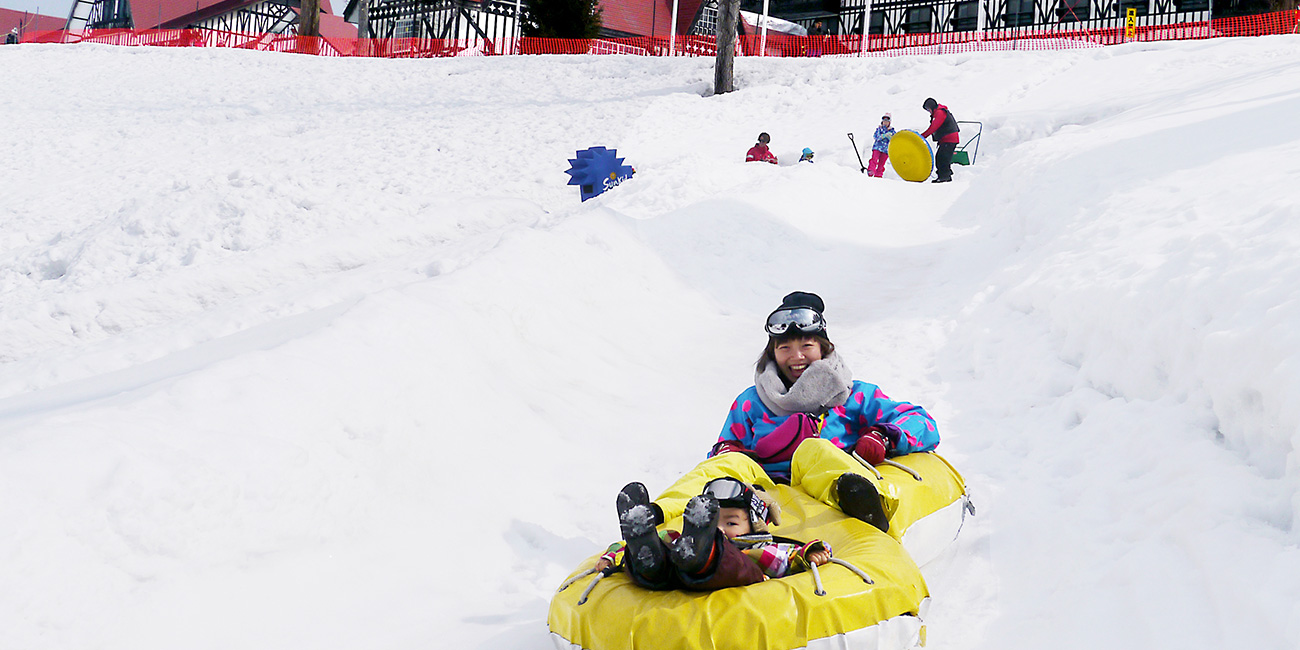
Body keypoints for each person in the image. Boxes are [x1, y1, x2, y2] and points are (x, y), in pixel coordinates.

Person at [710, 291, 940, 531]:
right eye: (784, 347)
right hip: (766, 502)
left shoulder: (853, 397)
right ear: (772, 353)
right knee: (716, 467)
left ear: (823, 348)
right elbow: (724, 462)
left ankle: (862, 503)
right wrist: (729, 454)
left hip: (832, 505)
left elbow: (923, 423)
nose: (796, 356)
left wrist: (884, 437)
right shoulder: (751, 403)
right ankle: (671, 521)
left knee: (814, 448)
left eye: (806, 345)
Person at [596, 478, 832, 591]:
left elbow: (792, 556)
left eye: (730, 522)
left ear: (753, 525)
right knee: (667, 544)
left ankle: (705, 553)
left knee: (734, 559)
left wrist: (812, 552)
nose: (720, 529)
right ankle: (648, 562)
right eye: (712, 522)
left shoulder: (761, 548)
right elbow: (621, 545)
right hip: (682, 570)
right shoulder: (683, 540)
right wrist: (613, 557)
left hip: (730, 573)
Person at [920, 98, 960, 183]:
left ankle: (944, 176)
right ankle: (945, 175)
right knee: (941, 157)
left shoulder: (940, 113)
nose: (929, 112)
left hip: (949, 139)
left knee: (942, 158)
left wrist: (922, 137)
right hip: (946, 139)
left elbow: (934, 127)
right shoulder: (938, 112)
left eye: (928, 109)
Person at [867, 113, 895, 178]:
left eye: (887, 121)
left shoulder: (892, 131)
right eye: (884, 121)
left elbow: (894, 140)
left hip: (885, 150)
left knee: (881, 163)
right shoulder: (879, 129)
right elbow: (875, 136)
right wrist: (883, 136)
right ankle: (871, 171)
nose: (885, 123)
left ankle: (878, 175)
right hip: (877, 147)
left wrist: (891, 138)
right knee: (874, 159)